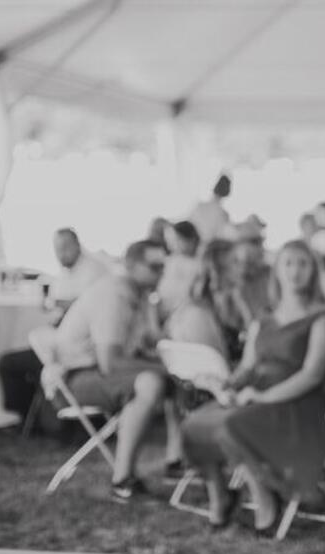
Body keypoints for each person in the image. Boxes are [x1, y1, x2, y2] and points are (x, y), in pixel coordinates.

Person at [180, 239, 325, 531]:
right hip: (254, 396)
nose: (295, 271)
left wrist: (262, 397)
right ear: (277, 271)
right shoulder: (262, 321)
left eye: (303, 263)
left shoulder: (323, 321)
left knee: (232, 426)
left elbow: (312, 376)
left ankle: (263, 495)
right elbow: (247, 367)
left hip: (298, 404)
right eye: (288, 263)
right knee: (194, 423)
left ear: (313, 272)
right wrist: (226, 382)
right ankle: (220, 495)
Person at [52, 240, 181, 500]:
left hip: (100, 372)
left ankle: (176, 461)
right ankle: (122, 478)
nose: (161, 273)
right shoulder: (113, 295)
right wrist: (166, 368)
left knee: (170, 379)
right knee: (151, 382)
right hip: (75, 378)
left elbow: (146, 345)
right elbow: (110, 362)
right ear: (131, 265)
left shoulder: (142, 295)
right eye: (154, 267)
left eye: (163, 267)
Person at [0, 227, 112, 429]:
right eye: (57, 249)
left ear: (77, 244)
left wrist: (58, 305)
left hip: (77, 348)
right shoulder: (64, 273)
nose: (61, 254)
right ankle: (29, 420)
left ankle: (38, 424)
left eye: (66, 247)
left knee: (14, 363)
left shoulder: (94, 271)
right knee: (11, 361)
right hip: (62, 340)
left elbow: (90, 308)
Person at [155, 221, 225, 356]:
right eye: (170, 241)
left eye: (176, 240)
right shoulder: (172, 262)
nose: (172, 245)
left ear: (191, 239)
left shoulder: (204, 262)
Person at [189, 175, 232, 244]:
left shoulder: (199, 206)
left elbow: (189, 225)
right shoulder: (223, 214)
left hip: (194, 243)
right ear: (228, 192)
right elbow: (221, 235)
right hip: (208, 247)